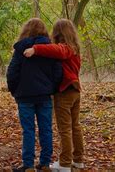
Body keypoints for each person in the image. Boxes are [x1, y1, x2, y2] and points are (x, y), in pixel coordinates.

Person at [23, 19, 84, 172]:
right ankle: (78, 160)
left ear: (58, 33)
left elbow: (58, 51)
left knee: (65, 129)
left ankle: (64, 163)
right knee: (75, 127)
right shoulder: (75, 48)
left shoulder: (66, 48)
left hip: (65, 91)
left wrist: (35, 49)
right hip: (75, 90)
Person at [7, 18, 63, 172]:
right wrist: (51, 88)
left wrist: (15, 91)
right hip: (44, 95)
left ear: (26, 30)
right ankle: (45, 163)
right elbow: (58, 72)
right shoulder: (50, 49)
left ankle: (29, 165)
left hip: (25, 96)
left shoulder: (20, 50)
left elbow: (12, 72)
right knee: (46, 129)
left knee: (28, 130)